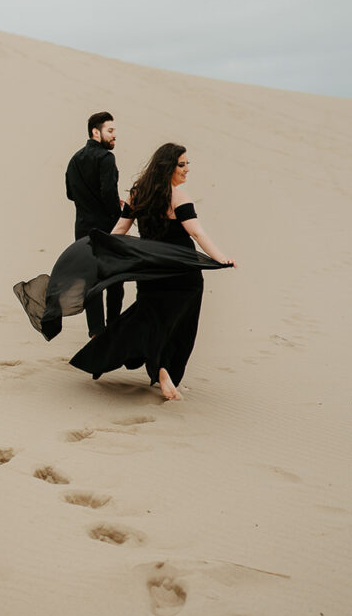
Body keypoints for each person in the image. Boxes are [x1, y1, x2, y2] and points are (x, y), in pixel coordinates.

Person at [69, 143, 236, 400]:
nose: (187, 169)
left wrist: (100, 250)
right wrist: (221, 258)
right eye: (182, 164)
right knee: (180, 326)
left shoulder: (138, 193)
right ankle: (164, 370)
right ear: (167, 166)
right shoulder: (179, 198)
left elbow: (121, 228)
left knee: (149, 320)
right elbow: (196, 232)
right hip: (183, 275)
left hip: (150, 272)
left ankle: (153, 367)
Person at [65, 111, 123, 337]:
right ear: (95, 132)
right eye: (110, 131)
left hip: (82, 229)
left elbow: (71, 194)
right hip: (107, 228)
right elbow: (108, 192)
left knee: (91, 280)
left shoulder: (75, 159)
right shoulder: (106, 158)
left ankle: (96, 331)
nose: (115, 135)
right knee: (115, 278)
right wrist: (119, 218)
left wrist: (88, 200)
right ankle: (115, 326)